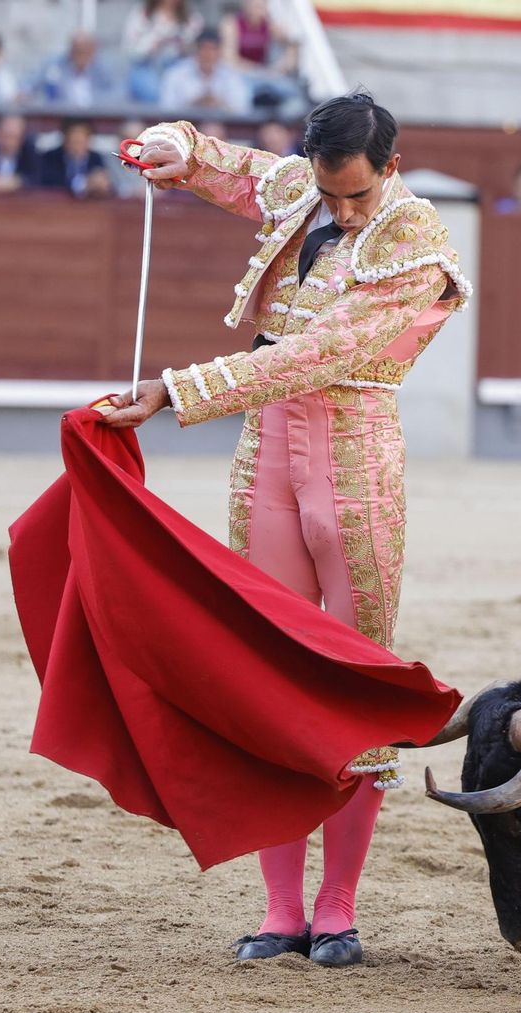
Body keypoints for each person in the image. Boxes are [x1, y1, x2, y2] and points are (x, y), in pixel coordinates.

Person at [101, 91, 472, 968]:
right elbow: (236, 169)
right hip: (266, 450)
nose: (341, 210)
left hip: (354, 454)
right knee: (269, 668)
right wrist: (174, 145)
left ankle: (336, 908)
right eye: (327, 191)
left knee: (352, 676)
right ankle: (280, 910)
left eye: (356, 194)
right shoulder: (304, 189)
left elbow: (319, 352)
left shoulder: (414, 236)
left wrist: (178, 390)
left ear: (391, 167)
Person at [221, 0, 302, 114]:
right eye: (255, 6)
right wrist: (259, 71)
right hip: (240, 74)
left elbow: (291, 44)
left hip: (263, 74)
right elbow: (230, 59)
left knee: (293, 95)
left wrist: (282, 66)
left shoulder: (269, 24)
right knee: (242, 100)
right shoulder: (232, 23)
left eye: (261, 6)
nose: (258, 10)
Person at [123, 0, 204, 104]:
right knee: (155, 93)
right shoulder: (142, 14)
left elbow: (200, 50)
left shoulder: (192, 18)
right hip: (147, 66)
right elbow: (129, 51)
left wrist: (183, 46)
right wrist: (154, 44)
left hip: (180, 67)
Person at [159, 29, 251, 114]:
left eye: (212, 49)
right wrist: (195, 105)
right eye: (204, 49)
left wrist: (219, 104)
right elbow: (166, 109)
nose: (208, 55)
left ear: (219, 51)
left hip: (222, 125)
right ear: (196, 50)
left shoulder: (231, 75)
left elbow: (243, 109)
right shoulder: (175, 75)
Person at [33, 30, 121, 108]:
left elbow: (117, 94)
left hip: (95, 115)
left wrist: (90, 102)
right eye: (76, 50)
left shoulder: (105, 68)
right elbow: (33, 83)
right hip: (61, 115)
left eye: (84, 51)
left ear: (93, 51)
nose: (80, 55)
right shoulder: (55, 65)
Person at [39, 118, 114, 200]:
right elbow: (49, 185)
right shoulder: (51, 157)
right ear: (65, 139)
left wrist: (100, 184)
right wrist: (83, 184)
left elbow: (108, 186)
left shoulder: (96, 158)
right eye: (74, 141)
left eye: (81, 141)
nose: (77, 146)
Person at [0, 114, 39, 194]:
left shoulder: (30, 152)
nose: (8, 142)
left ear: (22, 138)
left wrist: (18, 181)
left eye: (13, 137)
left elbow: (37, 178)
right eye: (5, 135)